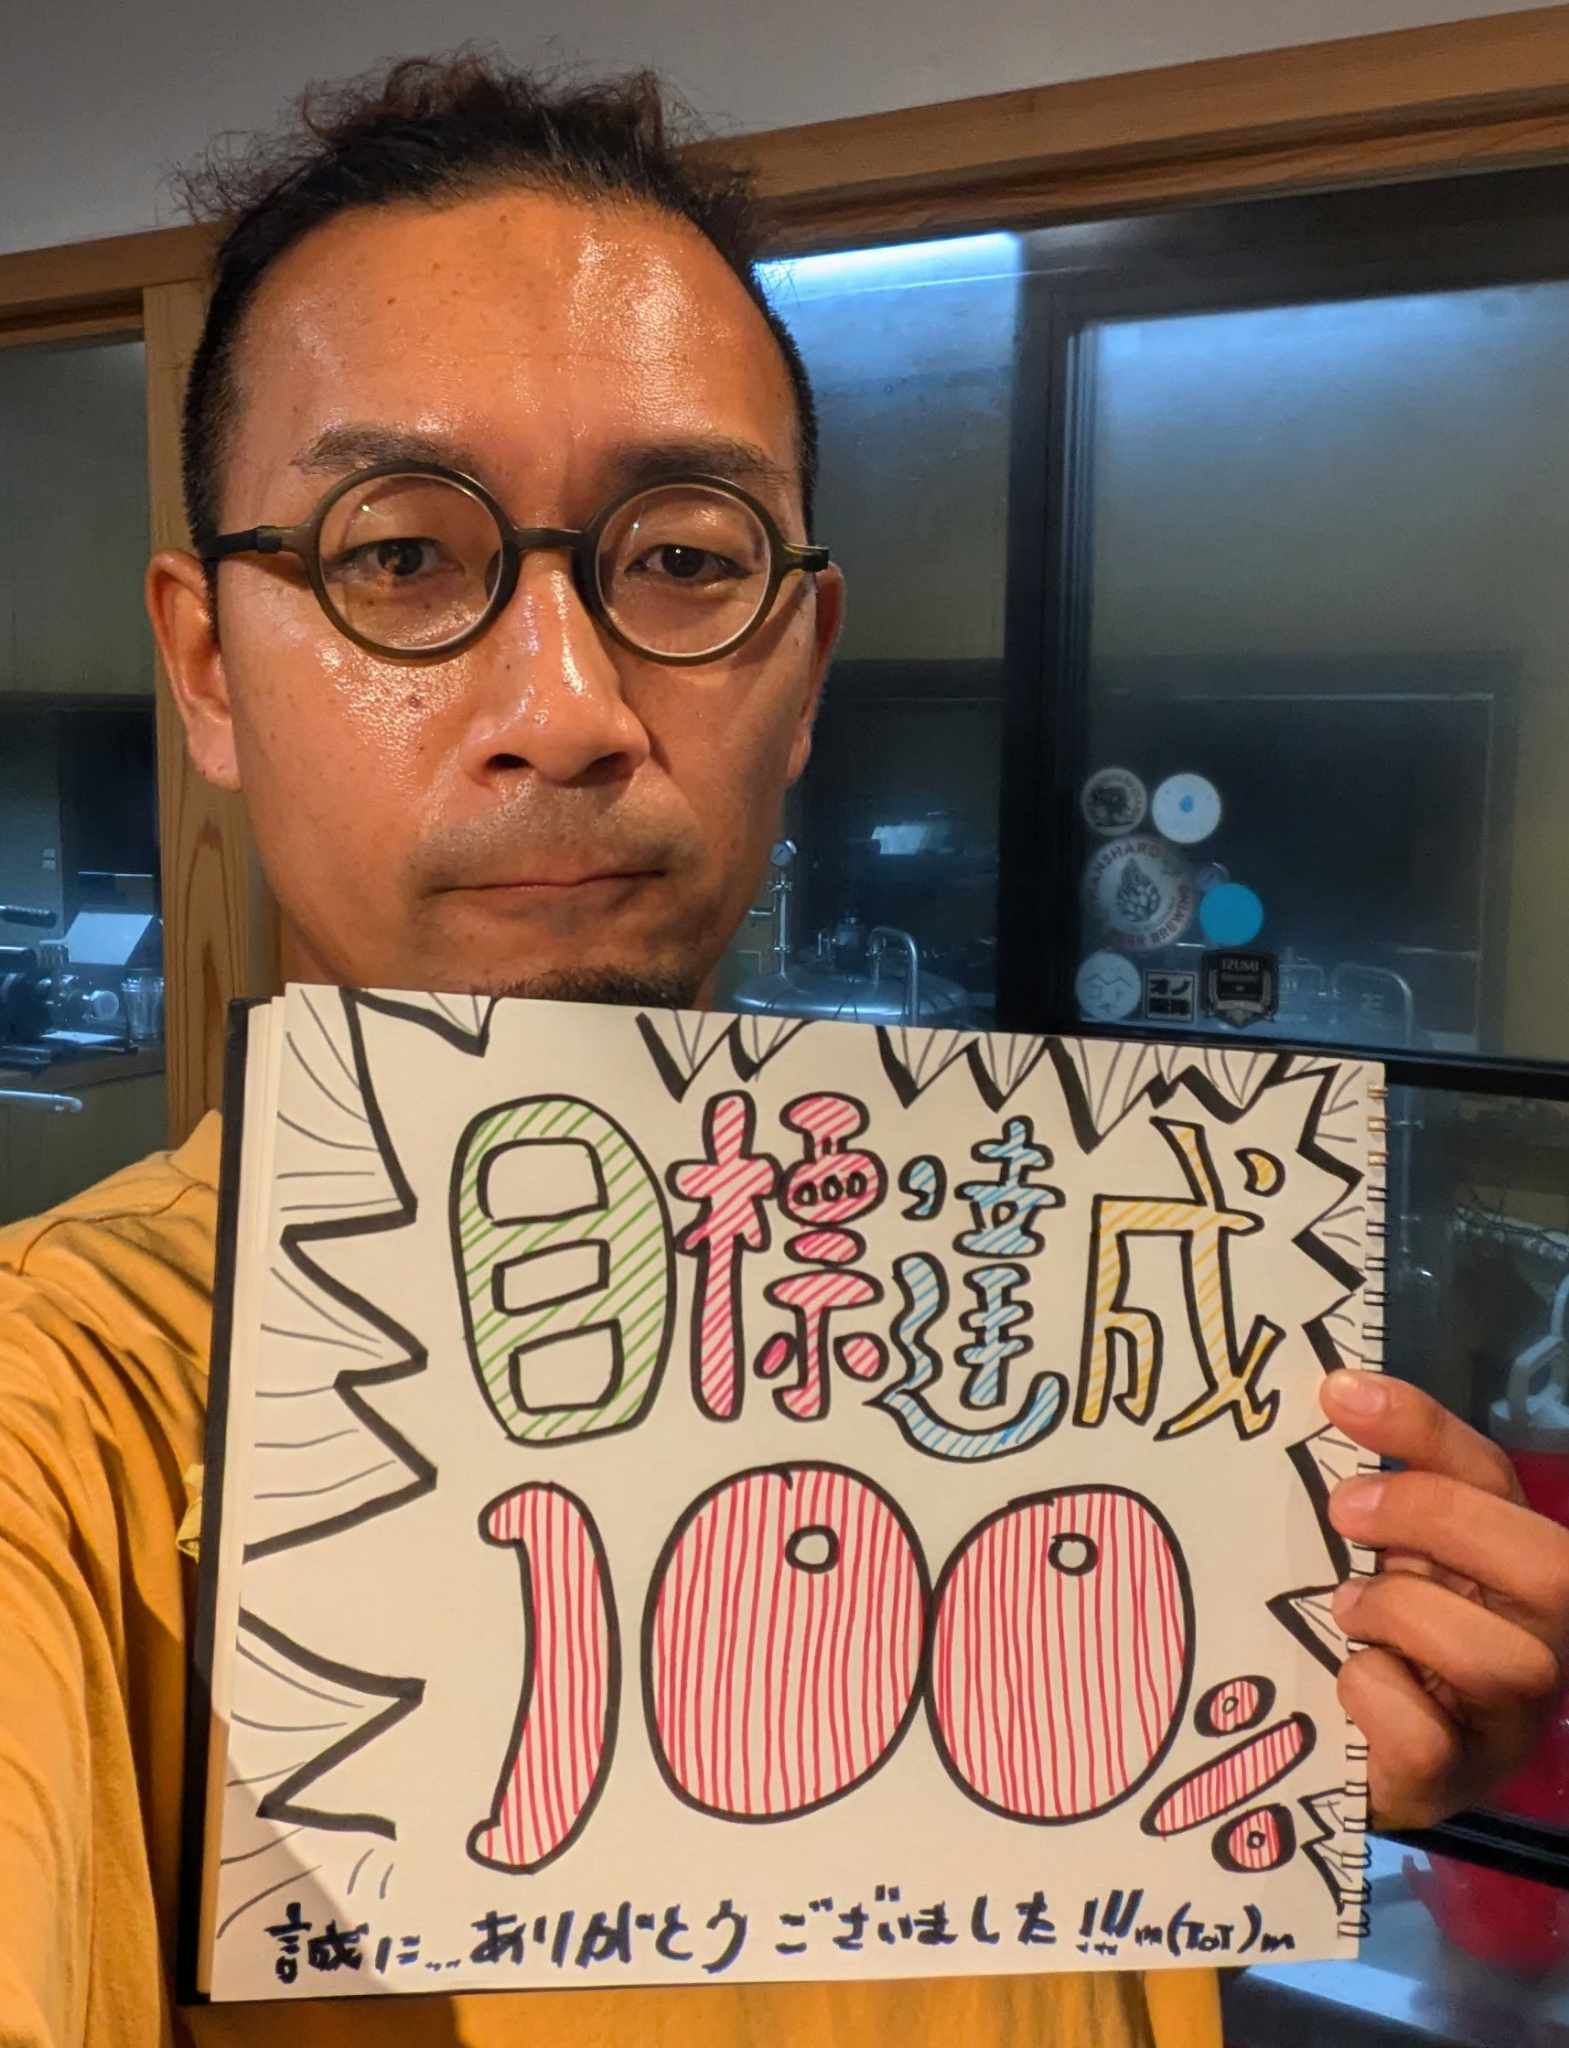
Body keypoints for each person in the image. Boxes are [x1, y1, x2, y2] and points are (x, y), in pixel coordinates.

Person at [2, 49, 1567, 2048]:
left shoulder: (1048, 1302)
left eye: (681, 556)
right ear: (210, 666)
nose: (567, 708)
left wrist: (1311, 1707)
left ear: (805, 663)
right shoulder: (69, 1411)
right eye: (397, 556)